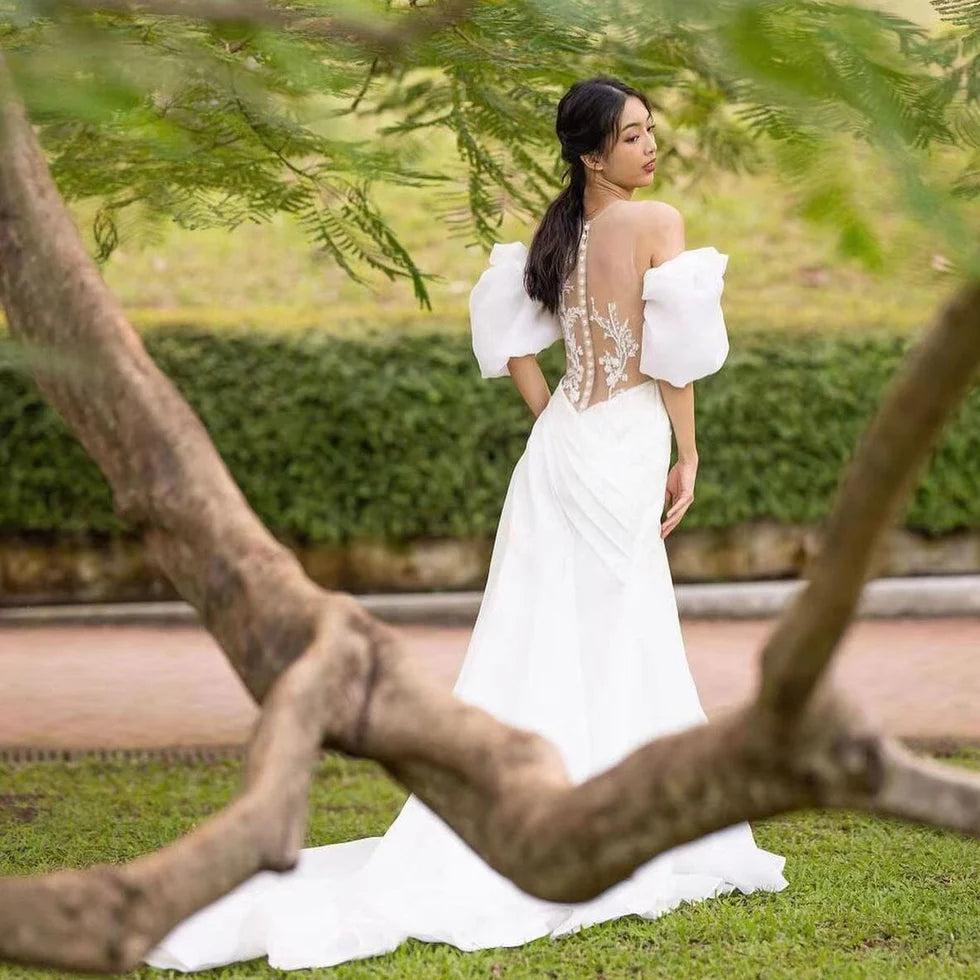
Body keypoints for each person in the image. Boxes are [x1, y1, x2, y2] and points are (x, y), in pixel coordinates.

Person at [144, 75, 787, 973]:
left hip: (562, 449)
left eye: (651, 132)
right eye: (633, 136)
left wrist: (554, 418)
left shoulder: (557, 236)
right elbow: (674, 358)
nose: (651, 147)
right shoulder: (656, 224)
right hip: (625, 439)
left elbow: (513, 342)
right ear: (592, 154)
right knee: (620, 626)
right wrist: (688, 452)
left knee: (540, 634)